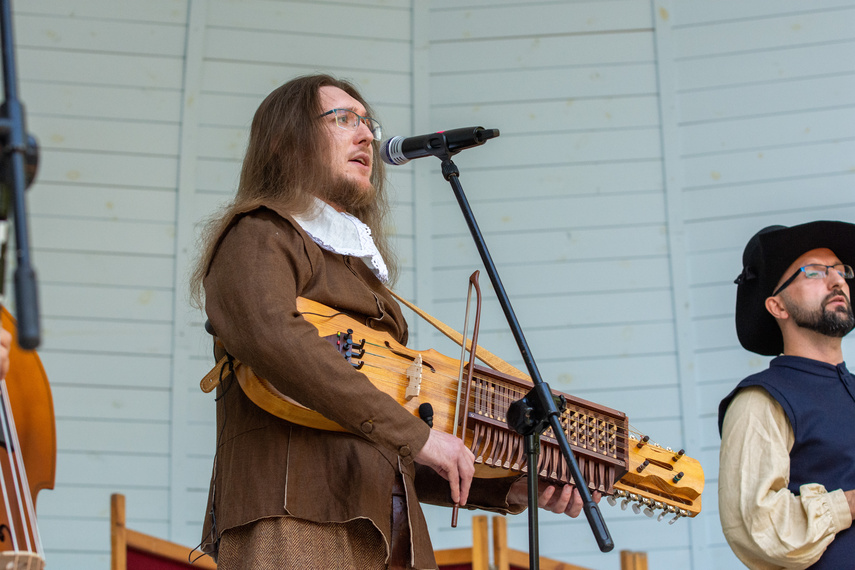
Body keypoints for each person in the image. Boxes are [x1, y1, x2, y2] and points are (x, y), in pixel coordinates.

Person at [190, 74, 597, 570]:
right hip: (294, 522)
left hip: (393, 532)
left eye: (368, 123)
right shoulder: (259, 234)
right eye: (343, 120)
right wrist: (419, 436)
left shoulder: (362, 274)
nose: (367, 136)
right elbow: (276, 335)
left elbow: (391, 447)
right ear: (283, 141)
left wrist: (515, 485)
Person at [718, 221, 855, 569]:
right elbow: (758, 527)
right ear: (777, 306)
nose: (837, 280)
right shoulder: (762, 400)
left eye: (841, 271)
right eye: (813, 272)